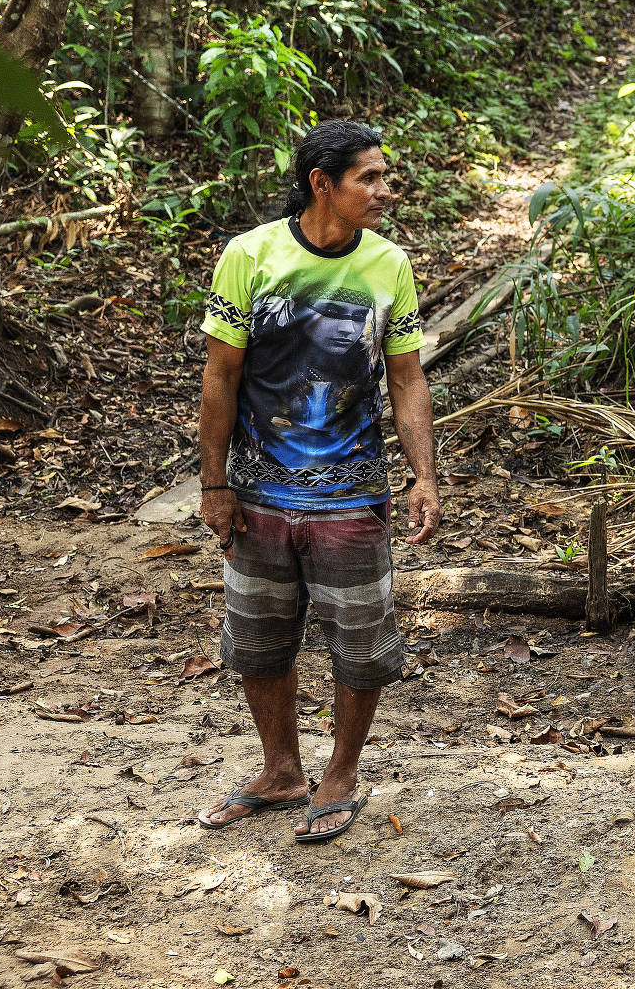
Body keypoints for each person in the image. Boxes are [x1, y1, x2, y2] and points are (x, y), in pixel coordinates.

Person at [191, 119, 442, 843]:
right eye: (370, 177)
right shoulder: (250, 256)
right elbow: (221, 373)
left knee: (360, 645)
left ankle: (339, 775)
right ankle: (280, 771)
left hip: (352, 493)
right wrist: (214, 484)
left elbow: (406, 376)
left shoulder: (388, 264)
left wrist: (423, 475)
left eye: (386, 177)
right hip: (260, 491)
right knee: (258, 643)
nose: (386, 190)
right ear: (321, 183)